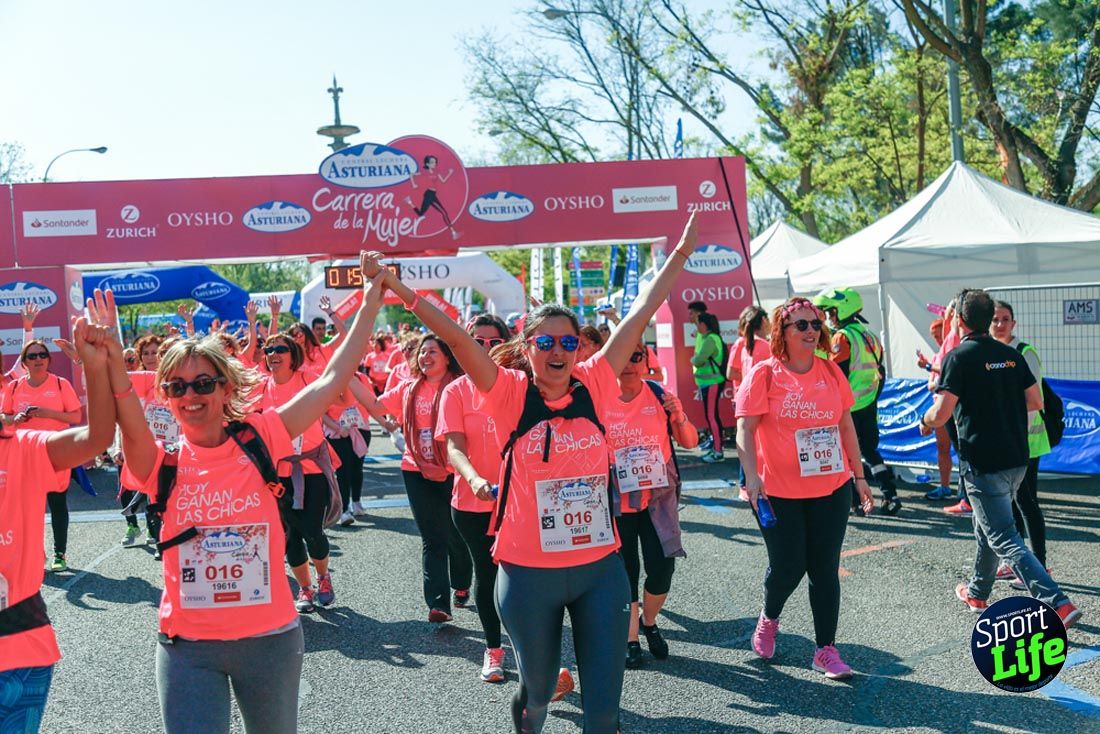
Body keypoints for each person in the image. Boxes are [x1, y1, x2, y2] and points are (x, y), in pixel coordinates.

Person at [361, 211, 699, 734]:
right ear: (528, 348)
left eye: (567, 342)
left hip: (599, 568)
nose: (559, 350)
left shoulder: (597, 381)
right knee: (538, 695)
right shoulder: (508, 392)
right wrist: (397, 288)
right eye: (546, 342)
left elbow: (644, 306)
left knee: (604, 712)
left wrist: (679, 254)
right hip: (525, 573)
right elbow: (453, 335)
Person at [108, 255, 386, 734]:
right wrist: (106, 357)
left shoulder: (261, 436)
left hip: (269, 639)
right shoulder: (160, 461)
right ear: (166, 395)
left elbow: (329, 381)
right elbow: (122, 412)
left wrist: (373, 302)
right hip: (186, 648)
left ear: (225, 386)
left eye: (203, 383)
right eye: (177, 386)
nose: (190, 394)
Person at [917, 289, 1080, 629]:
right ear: (989, 317)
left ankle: (1057, 603)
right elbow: (1035, 401)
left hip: (983, 459)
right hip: (1017, 457)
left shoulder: (959, 357)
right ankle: (977, 592)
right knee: (986, 527)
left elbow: (942, 411)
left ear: (959, 321)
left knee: (1003, 535)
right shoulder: (1010, 355)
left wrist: (925, 421)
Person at [736, 297, 874, 680]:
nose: (811, 331)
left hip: (831, 487)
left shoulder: (830, 372)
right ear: (782, 331)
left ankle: (825, 651)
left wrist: (859, 476)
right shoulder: (764, 374)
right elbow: (745, 430)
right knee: (788, 565)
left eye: (815, 324)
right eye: (801, 325)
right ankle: (770, 615)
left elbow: (846, 426)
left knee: (824, 568)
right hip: (776, 491)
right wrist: (751, 476)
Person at [0, 317, 116, 734]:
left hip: (17, 648)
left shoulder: (20, 448)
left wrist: (96, 367)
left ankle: (62, 553)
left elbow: (98, 436)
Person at [610, 342, 698, 668]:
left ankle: (649, 622)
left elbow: (689, 441)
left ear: (647, 361)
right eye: (623, 356)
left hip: (656, 500)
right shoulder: (597, 398)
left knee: (662, 568)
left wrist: (678, 414)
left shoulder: (658, 395)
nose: (630, 364)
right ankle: (631, 637)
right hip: (616, 503)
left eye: (637, 357)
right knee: (625, 573)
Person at [436, 313, 511, 682]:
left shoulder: (520, 384)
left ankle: (534, 654)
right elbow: (453, 446)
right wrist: (475, 477)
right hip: (474, 502)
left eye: (494, 342)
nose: (485, 349)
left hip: (522, 501)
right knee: (489, 573)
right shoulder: (455, 390)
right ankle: (494, 651)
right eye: (477, 342)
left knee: (527, 579)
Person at [378, 334, 473, 623]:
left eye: (433, 351)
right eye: (422, 352)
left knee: (456, 532)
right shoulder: (408, 388)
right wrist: (345, 378)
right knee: (432, 536)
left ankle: (461, 583)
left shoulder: (462, 386)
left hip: (454, 469)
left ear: (447, 357)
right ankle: (438, 604)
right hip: (415, 467)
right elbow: (376, 405)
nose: (426, 357)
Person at [256, 333, 341, 613]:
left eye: (280, 349)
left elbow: (337, 385)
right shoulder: (260, 387)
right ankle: (305, 589)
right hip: (278, 471)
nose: (272, 354)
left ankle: (323, 577)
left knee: (312, 530)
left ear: (293, 355)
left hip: (311, 466)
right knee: (289, 534)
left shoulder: (307, 379)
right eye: (268, 349)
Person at [813, 287, 901, 515]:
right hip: (869, 402)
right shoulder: (869, 334)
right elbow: (880, 370)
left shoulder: (843, 338)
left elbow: (836, 375)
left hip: (847, 407)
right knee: (871, 451)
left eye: (830, 313)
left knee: (845, 453)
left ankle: (855, 502)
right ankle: (890, 495)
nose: (828, 318)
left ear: (842, 310)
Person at [1, 340, 83, 573]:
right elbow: (4, 417)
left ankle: (60, 553)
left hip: (55, 452)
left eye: (42, 355)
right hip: (23, 453)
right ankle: (35, 553)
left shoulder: (60, 384)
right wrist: (14, 419)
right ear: (24, 362)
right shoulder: (15, 387)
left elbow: (76, 417)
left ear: (48, 359)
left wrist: (47, 413)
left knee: (57, 503)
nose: (38, 359)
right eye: (32, 356)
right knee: (27, 507)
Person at [990, 300, 1052, 583]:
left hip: (1026, 442)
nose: (1000, 324)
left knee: (1027, 502)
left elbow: (1033, 401)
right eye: (995, 319)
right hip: (1006, 443)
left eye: (1005, 319)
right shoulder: (990, 353)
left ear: (1013, 324)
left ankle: (1039, 566)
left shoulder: (1024, 352)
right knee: (1010, 504)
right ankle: (1014, 562)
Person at [727, 306, 770, 489]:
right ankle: (753, 482)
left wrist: (746, 381)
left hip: (743, 401)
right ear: (762, 321)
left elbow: (730, 373)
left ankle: (745, 484)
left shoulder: (740, 343)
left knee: (745, 439)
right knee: (759, 443)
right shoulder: (766, 346)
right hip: (761, 401)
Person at [916, 318, 956, 500]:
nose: (937, 339)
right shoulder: (937, 355)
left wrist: (930, 369)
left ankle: (965, 491)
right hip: (939, 404)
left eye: (940, 335)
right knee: (943, 448)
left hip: (954, 406)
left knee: (963, 450)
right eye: (934, 336)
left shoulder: (954, 350)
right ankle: (945, 486)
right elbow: (932, 383)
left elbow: (947, 376)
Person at [691, 311, 726, 464]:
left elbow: (698, 360)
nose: (696, 326)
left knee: (712, 417)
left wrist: (693, 359)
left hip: (713, 382)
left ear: (704, 325)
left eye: (698, 323)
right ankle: (716, 448)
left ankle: (718, 452)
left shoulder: (711, 339)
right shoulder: (708, 337)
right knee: (711, 416)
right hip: (709, 383)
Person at [405, 154, 460, 240]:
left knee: (421, 213)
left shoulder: (436, 172)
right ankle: (453, 232)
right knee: (443, 212)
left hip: (433, 194)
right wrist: (414, 184)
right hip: (429, 194)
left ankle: (409, 202)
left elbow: (443, 180)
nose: (434, 164)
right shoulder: (423, 172)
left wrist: (449, 173)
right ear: (427, 164)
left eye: (435, 162)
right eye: (432, 162)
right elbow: (411, 175)